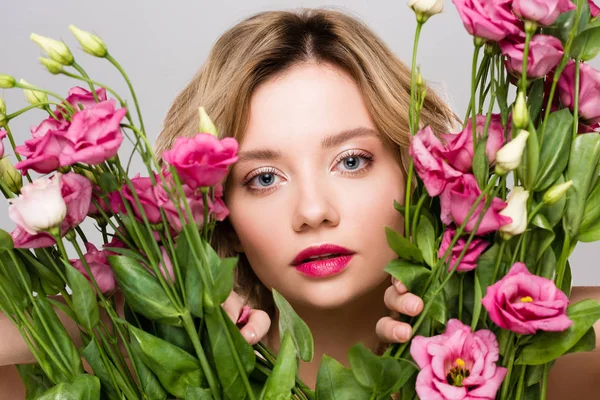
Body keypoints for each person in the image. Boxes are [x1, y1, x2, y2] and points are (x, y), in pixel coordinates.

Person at [0, 7, 599, 398]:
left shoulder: (545, 346)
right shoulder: (127, 372)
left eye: (352, 161)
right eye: (263, 177)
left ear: (416, 174)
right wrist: (125, 318)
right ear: (221, 213)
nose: (313, 211)